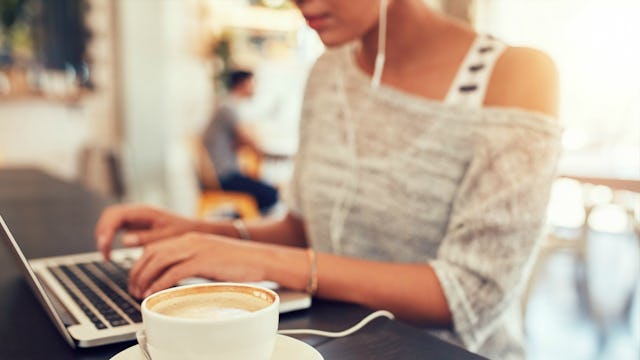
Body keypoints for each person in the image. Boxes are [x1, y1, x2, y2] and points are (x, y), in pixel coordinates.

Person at [95, 1, 561, 358]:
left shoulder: (515, 75)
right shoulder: (328, 72)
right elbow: (306, 230)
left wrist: (257, 260)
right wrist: (203, 234)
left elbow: (470, 293)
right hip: (337, 346)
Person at [201, 70, 278, 214]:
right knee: (270, 194)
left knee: (262, 187)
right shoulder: (228, 107)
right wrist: (266, 151)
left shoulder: (228, 105)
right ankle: (249, 227)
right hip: (224, 175)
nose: (255, 87)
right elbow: (248, 139)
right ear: (242, 84)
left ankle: (243, 221)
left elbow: (240, 140)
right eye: (252, 83)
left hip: (224, 172)